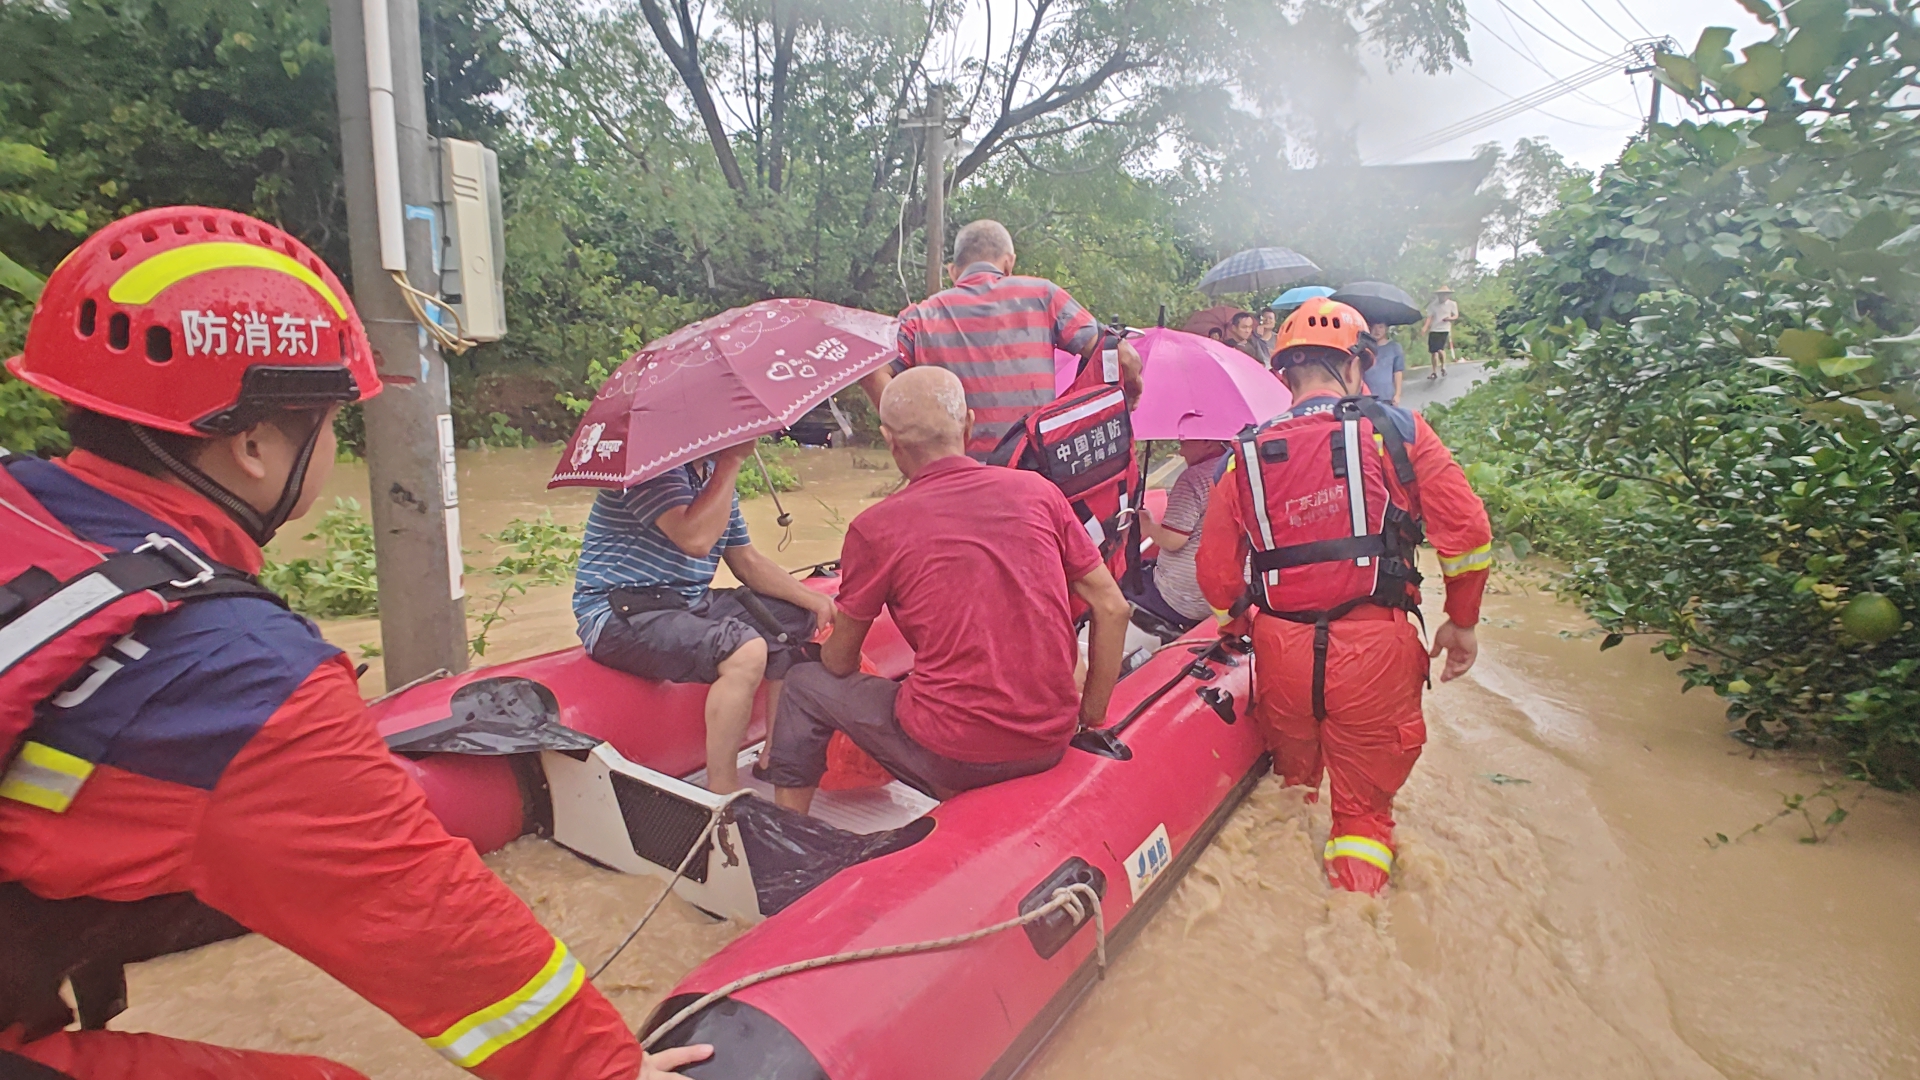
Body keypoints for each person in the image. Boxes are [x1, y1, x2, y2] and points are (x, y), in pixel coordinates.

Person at [0, 207, 706, 1079]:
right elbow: (423, 915)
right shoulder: (235, 672)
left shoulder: (24, 507)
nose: (337, 445)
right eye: (334, 423)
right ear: (255, 444)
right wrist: (607, 1070)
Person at [1196, 298, 1492, 897]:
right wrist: (1461, 624)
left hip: (1282, 654)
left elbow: (1217, 578)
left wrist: (1239, 616)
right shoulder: (1398, 431)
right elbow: (1467, 536)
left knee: (1295, 787)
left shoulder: (1245, 454)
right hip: (1373, 654)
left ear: (1282, 374)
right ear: (1360, 362)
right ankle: (1358, 923)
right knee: (1360, 819)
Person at [765, 368, 1131, 815]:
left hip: (950, 754)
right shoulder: (1040, 493)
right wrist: (1089, 718)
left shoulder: (875, 528)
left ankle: (787, 831)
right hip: (1050, 741)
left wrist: (820, 648)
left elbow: (841, 662)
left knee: (804, 684)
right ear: (969, 425)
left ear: (889, 440)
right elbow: (1112, 608)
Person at [572, 443, 836, 794]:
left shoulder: (711, 476)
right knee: (744, 649)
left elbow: (745, 560)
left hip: (684, 602)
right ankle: (723, 792)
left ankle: (776, 757)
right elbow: (694, 539)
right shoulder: (651, 468)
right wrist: (731, 461)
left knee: (791, 619)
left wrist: (814, 601)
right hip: (620, 612)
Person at [886, 219, 1142, 459]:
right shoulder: (1043, 296)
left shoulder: (917, 318)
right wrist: (1131, 393)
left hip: (952, 482)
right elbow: (1123, 357)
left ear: (953, 272)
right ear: (1008, 263)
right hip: (1031, 479)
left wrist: (909, 443)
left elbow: (874, 371)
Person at [1126, 440, 1230, 631]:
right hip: (1235, 590)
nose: (1181, 452)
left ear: (1206, 441)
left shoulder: (1194, 479)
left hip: (1189, 599)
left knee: (1125, 584)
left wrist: (1148, 525)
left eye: (1184, 443)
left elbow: (1173, 540)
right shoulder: (1241, 466)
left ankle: (1170, 632)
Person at [1360, 324, 1406, 405]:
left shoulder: (1394, 347)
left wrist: (1397, 394)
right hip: (1366, 396)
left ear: (1386, 328)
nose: (1377, 330)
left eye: (1381, 327)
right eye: (1374, 327)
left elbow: (1398, 371)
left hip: (1387, 397)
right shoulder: (1364, 349)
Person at [1424, 286, 1459, 378]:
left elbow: (1456, 315)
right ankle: (1434, 371)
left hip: (1444, 329)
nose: (1443, 296)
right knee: (1433, 351)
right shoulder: (1433, 305)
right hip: (1434, 329)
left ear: (1448, 295)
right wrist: (1425, 327)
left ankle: (1443, 365)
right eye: (1441, 295)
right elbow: (1429, 317)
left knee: (1440, 349)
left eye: (1445, 295)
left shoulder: (1452, 304)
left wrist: (1449, 319)